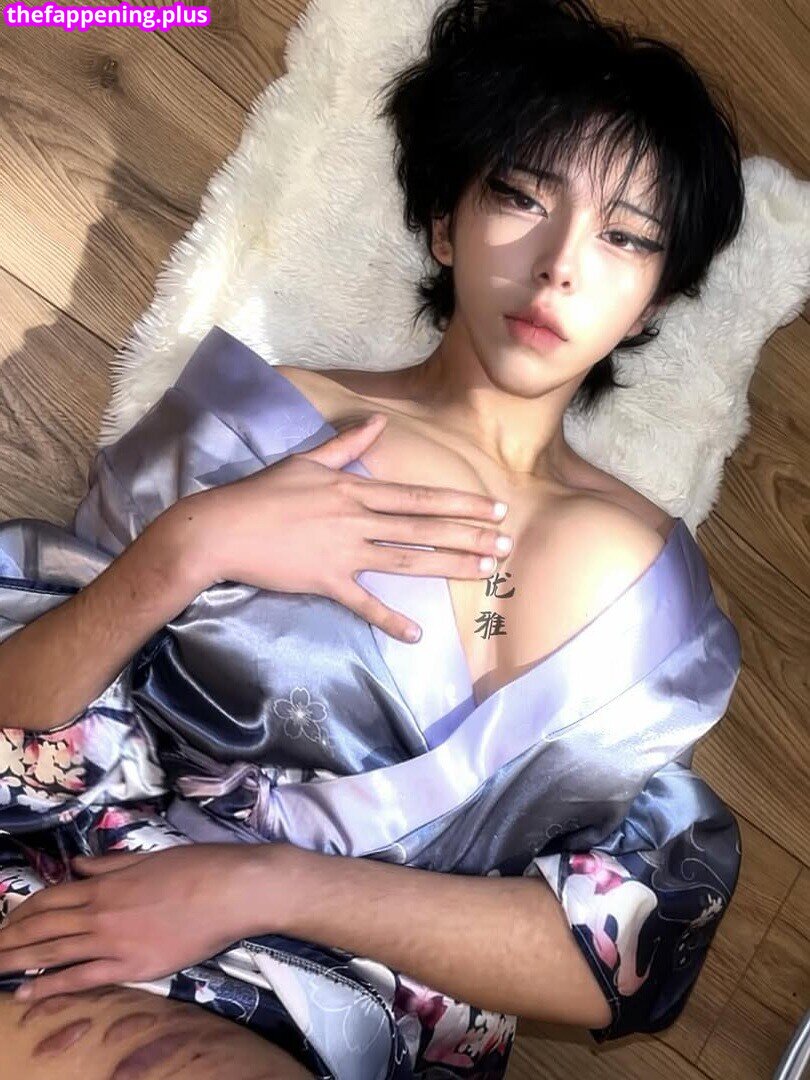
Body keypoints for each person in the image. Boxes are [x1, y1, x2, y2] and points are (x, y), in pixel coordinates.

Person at [0, 0, 746, 1077]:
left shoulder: (659, 600)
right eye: (521, 196)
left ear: (653, 302)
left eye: (623, 237)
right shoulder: (257, 427)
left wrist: (268, 886)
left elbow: (620, 953)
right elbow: (17, 709)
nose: (559, 265)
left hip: (374, 1019)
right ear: (444, 222)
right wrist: (188, 547)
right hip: (97, 914)